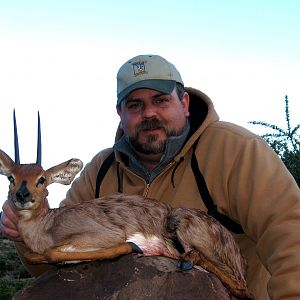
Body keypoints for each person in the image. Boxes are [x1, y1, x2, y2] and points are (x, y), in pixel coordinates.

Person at [1, 54, 300, 299]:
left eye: (160, 100)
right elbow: (54, 260)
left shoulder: (235, 149)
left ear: (183, 103)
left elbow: (290, 231)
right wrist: (20, 230)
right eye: (135, 105)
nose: (149, 114)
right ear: (119, 112)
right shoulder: (101, 169)